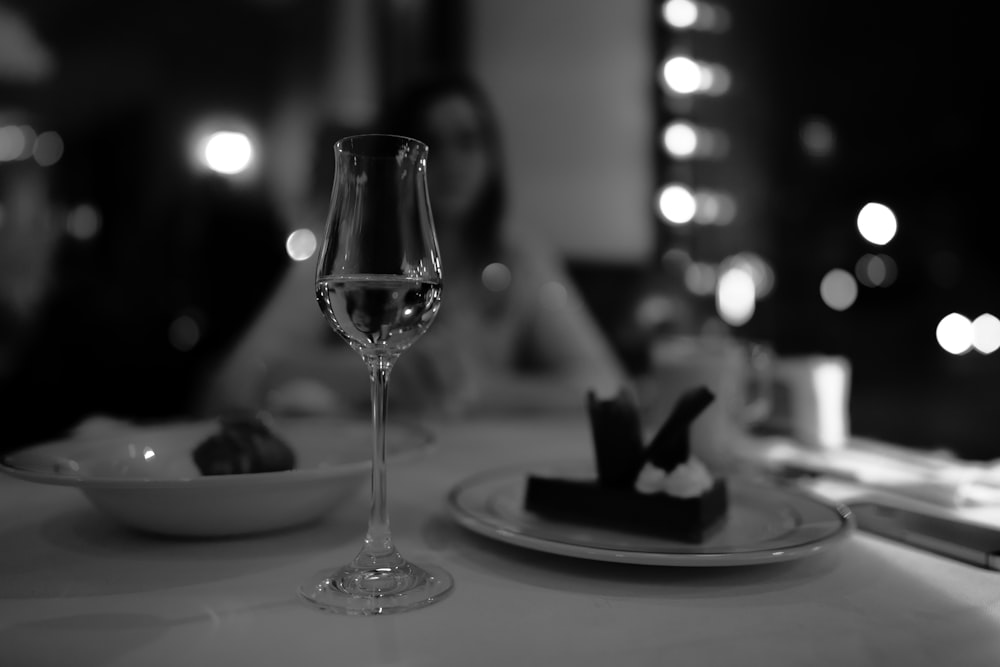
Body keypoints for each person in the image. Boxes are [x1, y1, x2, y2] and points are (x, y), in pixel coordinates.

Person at [196, 73, 629, 419]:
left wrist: (479, 388)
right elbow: (233, 384)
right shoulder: (349, 254)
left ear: (492, 156)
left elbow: (608, 386)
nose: (452, 163)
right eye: (430, 143)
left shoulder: (519, 255)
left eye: (468, 140)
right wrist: (375, 373)